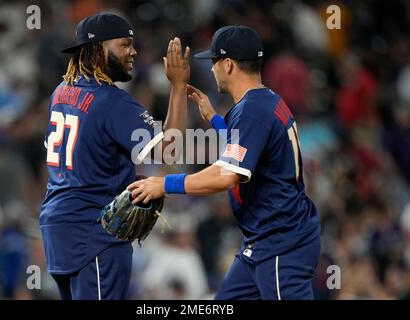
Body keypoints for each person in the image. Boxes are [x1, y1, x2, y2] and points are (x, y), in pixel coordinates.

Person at [128, 25, 321, 300]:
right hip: (263, 241)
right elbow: (252, 150)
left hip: (281, 241)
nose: (211, 69)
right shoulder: (266, 100)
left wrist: (164, 183)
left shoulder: (252, 111)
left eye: (214, 61)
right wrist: (217, 121)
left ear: (228, 64)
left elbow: (226, 174)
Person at [40, 13, 190, 300]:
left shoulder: (60, 92)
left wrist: (122, 177)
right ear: (97, 50)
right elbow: (170, 150)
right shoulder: (112, 101)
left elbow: (82, 156)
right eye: (124, 45)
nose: (133, 51)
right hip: (93, 231)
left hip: (57, 228)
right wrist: (179, 86)